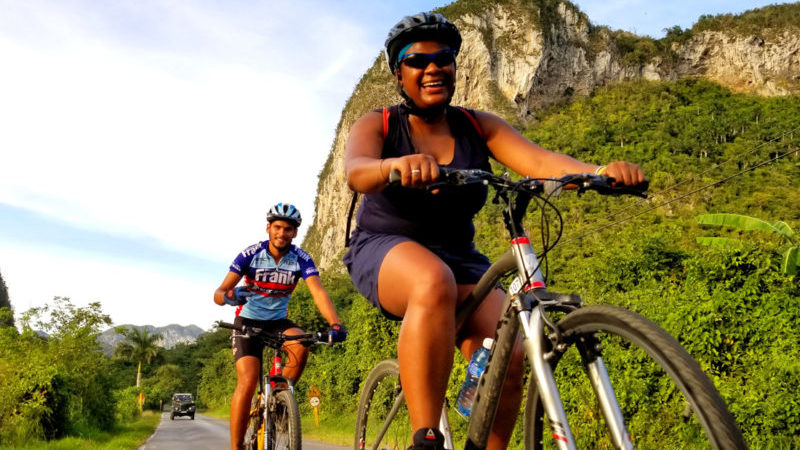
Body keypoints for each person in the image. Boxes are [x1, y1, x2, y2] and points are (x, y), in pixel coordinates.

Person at [342, 12, 646, 450]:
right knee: (431, 280)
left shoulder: (476, 125)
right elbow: (357, 170)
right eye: (417, 60)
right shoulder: (381, 124)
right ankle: (425, 437)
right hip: (385, 247)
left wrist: (598, 172)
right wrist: (392, 166)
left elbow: (539, 162)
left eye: (443, 58)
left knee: (513, 350)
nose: (432, 68)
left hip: (459, 258)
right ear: (399, 74)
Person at [213, 202, 346, 450]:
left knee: (300, 345)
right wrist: (230, 296)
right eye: (277, 227)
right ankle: (236, 446)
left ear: (295, 233)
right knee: (248, 381)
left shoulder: (301, 258)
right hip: (247, 322)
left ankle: (279, 400)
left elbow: (317, 291)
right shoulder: (250, 254)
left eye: (288, 229)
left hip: (278, 322)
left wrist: (334, 323)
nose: (281, 233)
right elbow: (218, 293)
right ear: (268, 228)